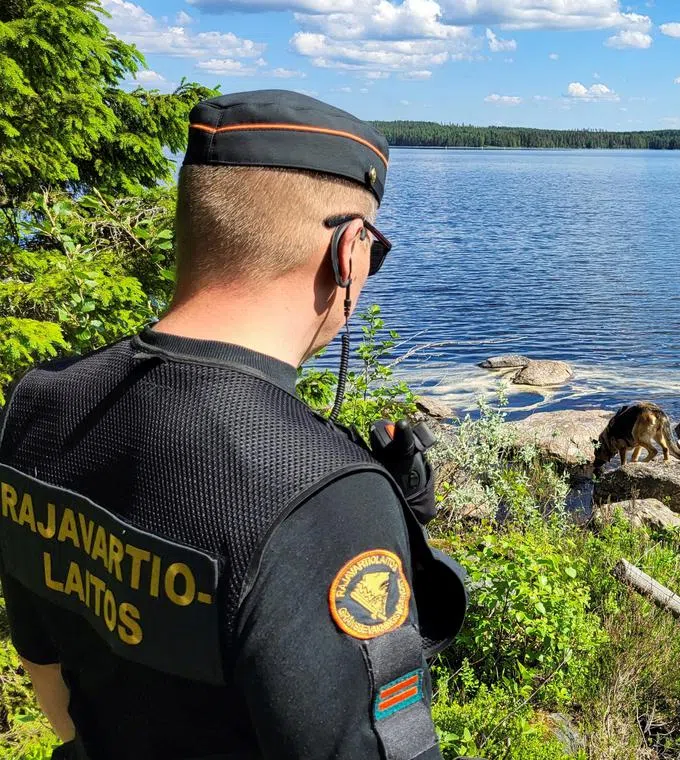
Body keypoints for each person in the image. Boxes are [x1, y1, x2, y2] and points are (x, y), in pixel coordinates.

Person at [0, 90, 466, 759]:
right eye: (375, 253)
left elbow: (45, 668)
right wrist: (369, 509)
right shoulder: (320, 494)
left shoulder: (39, 403)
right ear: (349, 252)